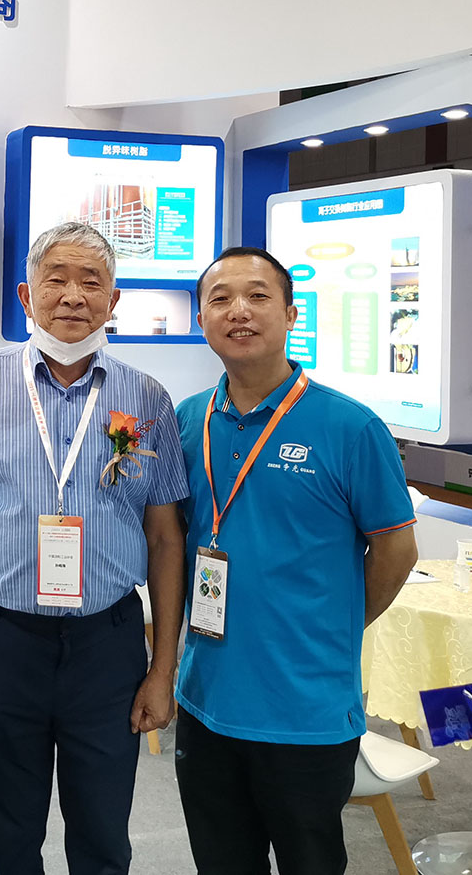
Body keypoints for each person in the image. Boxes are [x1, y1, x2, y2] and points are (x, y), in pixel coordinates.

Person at [0, 222, 188, 875]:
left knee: (103, 834)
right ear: (25, 295)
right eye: (56, 279)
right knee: (10, 834)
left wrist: (162, 668)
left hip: (107, 644)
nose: (72, 296)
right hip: (3, 639)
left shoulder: (145, 398)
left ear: (113, 301)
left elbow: (164, 538)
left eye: (91, 282)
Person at [174, 247, 418, 875]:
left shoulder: (350, 427)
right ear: (202, 319)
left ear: (289, 313)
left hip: (304, 711)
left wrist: (333, 622)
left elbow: (396, 549)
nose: (239, 311)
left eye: (258, 296)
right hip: (205, 701)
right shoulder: (187, 420)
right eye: (221, 299)